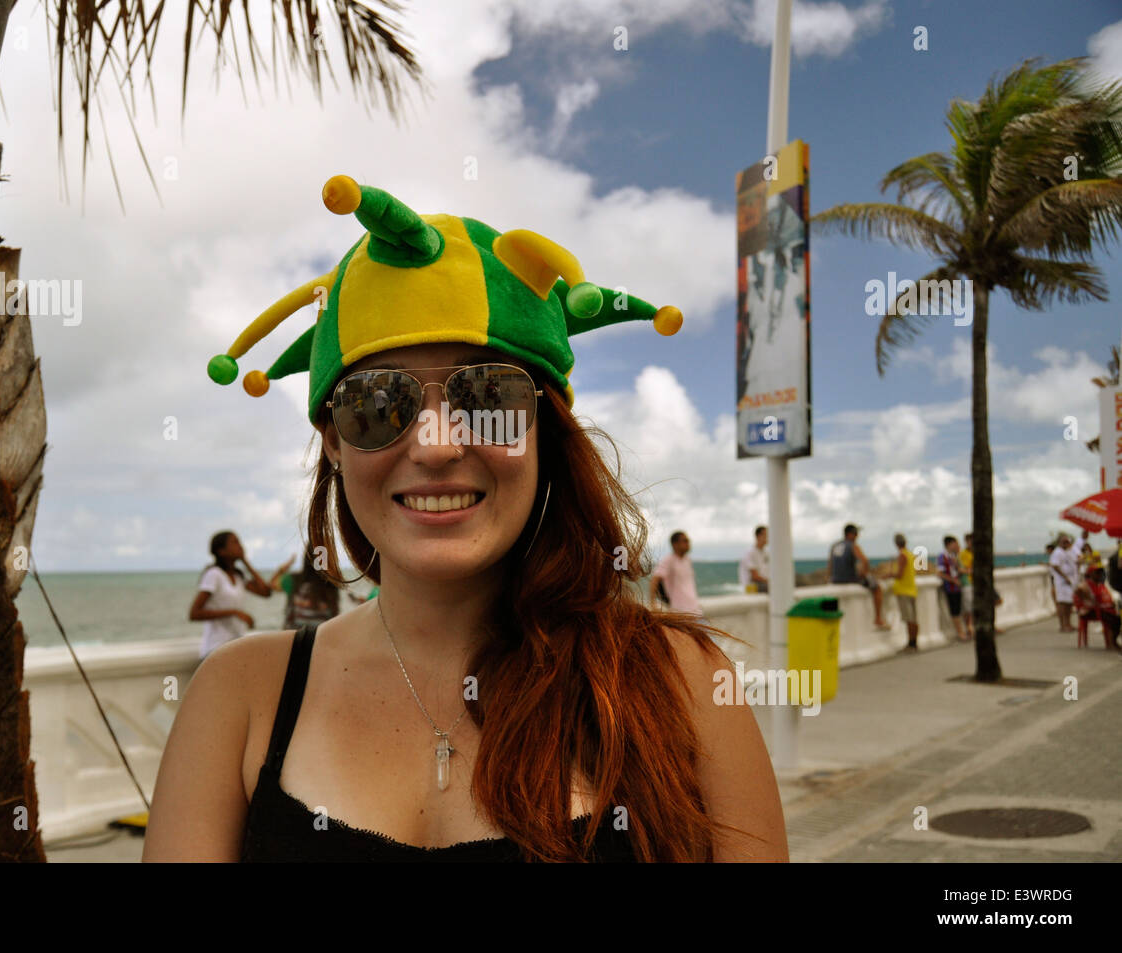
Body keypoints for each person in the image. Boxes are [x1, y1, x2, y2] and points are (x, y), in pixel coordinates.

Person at [147, 175, 787, 862]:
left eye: (487, 394)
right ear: (333, 439)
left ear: (546, 425)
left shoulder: (677, 680)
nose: (436, 444)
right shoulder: (241, 697)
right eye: (377, 402)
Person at [189, 532, 294, 658]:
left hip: (233, 647)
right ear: (221, 551)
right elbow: (194, 613)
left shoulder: (238, 576)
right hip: (215, 650)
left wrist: (245, 562)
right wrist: (234, 612)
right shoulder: (214, 574)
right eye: (235, 542)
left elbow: (266, 592)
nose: (240, 546)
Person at [828, 523, 888, 629]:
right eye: (856, 533)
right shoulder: (852, 545)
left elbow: (830, 564)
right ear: (850, 534)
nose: (857, 536)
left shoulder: (835, 545)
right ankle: (878, 618)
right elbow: (865, 561)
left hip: (835, 579)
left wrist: (830, 578)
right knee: (877, 587)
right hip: (849, 579)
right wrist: (864, 574)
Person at [274, 545, 342, 629]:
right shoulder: (332, 585)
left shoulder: (293, 580)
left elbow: (272, 584)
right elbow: (334, 617)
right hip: (321, 639)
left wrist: (287, 565)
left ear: (306, 558)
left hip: (293, 638)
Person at [1073, 554, 1121, 652]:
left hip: (1101, 609)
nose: (1099, 574)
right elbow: (1078, 590)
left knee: (1116, 618)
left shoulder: (1099, 584)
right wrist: (1084, 599)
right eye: (1097, 573)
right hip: (1090, 611)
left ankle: (1113, 642)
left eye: (1100, 572)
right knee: (1113, 620)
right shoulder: (1086, 584)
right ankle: (1112, 643)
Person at [650, 531, 702, 615]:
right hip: (680, 612)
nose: (688, 543)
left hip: (695, 610)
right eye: (685, 541)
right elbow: (655, 579)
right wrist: (653, 603)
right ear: (675, 544)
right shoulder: (668, 560)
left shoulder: (687, 560)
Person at [883, 533, 918, 651]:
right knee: (913, 619)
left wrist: (889, 574)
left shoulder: (902, 555)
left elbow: (900, 574)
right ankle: (914, 643)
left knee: (910, 619)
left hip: (904, 590)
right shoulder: (910, 554)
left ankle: (911, 644)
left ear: (896, 544)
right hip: (911, 589)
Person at [936, 536, 965, 641]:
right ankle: (960, 633)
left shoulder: (953, 556)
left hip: (957, 588)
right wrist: (953, 580)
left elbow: (958, 570)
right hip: (951, 588)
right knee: (955, 611)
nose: (957, 545)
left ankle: (962, 631)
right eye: (955, 543)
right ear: (949, 544)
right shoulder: (942, 557)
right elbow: (940, 573)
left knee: (958, 610)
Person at [1049, 533, 1079, 633]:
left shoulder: (1066, 552)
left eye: (1067, 541)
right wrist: (1065, 577)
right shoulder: (1058, 552)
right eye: (1064, 541)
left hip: (1069, 581)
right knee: (1062, 604)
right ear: (1059, 542)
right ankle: (1063, 625)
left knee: (1069, 603)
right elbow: (1055, 566)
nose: (1066, 543)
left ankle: (1068, 624)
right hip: (1062, 582)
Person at [739, 525, 769, 594]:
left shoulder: (766, 553)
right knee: (777, 586)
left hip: (763, 584)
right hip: (752, 587)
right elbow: (755, 576)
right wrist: (773, 581)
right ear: (758, 536)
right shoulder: (749, 553)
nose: (768, 538)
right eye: (766, 535)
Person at [958, 533, 976, 641]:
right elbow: (963, 569)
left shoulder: (975, 552)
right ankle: (969, 628)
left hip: (975, 583)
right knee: (968, 608)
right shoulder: (963, 554)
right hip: (967, 583)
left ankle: (971, 627)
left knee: (973, 607)